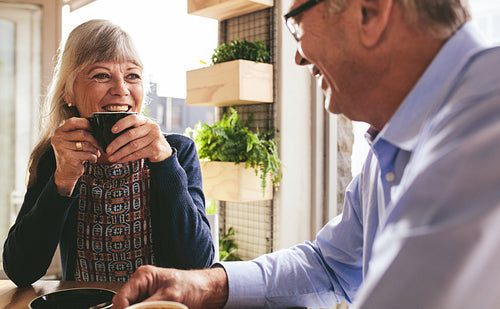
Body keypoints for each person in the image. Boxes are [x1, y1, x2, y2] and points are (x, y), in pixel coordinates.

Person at [112, 0, 500, 308]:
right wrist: (201, 285)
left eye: (295, 22)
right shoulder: (396, 142)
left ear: (370, 11)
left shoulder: (485, 128)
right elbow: (330, 265)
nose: (297, 57)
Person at [2, 19, 214, 287]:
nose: (121, 89)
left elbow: (198, 265)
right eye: (101, 75)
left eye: (132, 75)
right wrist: (63, 181)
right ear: (69, 92)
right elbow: (21, 270)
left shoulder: (177, 152)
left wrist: (164, 162)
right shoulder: (56, 158)